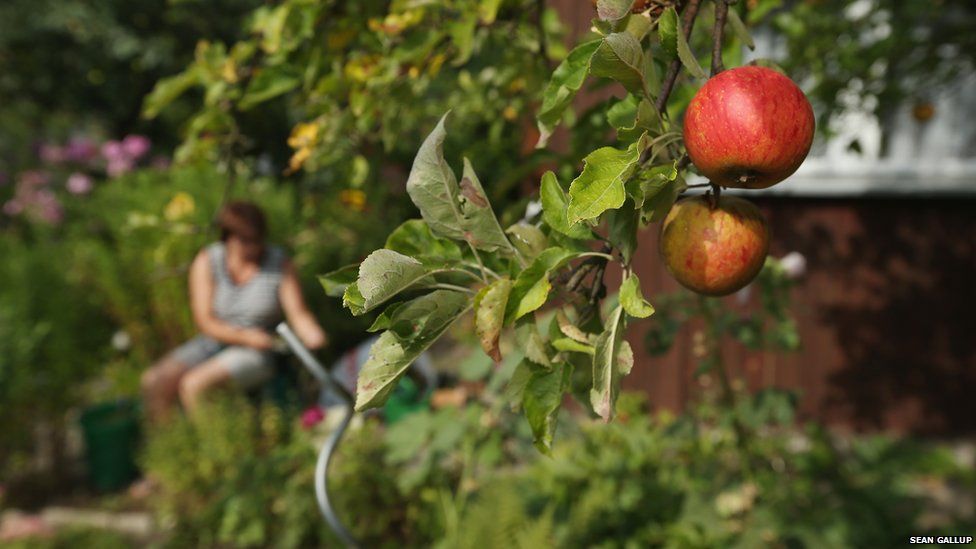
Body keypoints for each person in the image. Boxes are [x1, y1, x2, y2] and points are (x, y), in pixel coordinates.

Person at [141, 201, 327, 420]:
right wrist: (244, 337)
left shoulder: (279, 263)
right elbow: (204, 320)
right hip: (214, 341)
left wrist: (313, 336)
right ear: (228, 237)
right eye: (246, 241)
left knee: (195, 385)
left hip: (260, 349)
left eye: (258, 240)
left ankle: (217, 451)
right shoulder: (209, 260)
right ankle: (171, 445)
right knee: (154, 381)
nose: (254, 247)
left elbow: (298, 314)